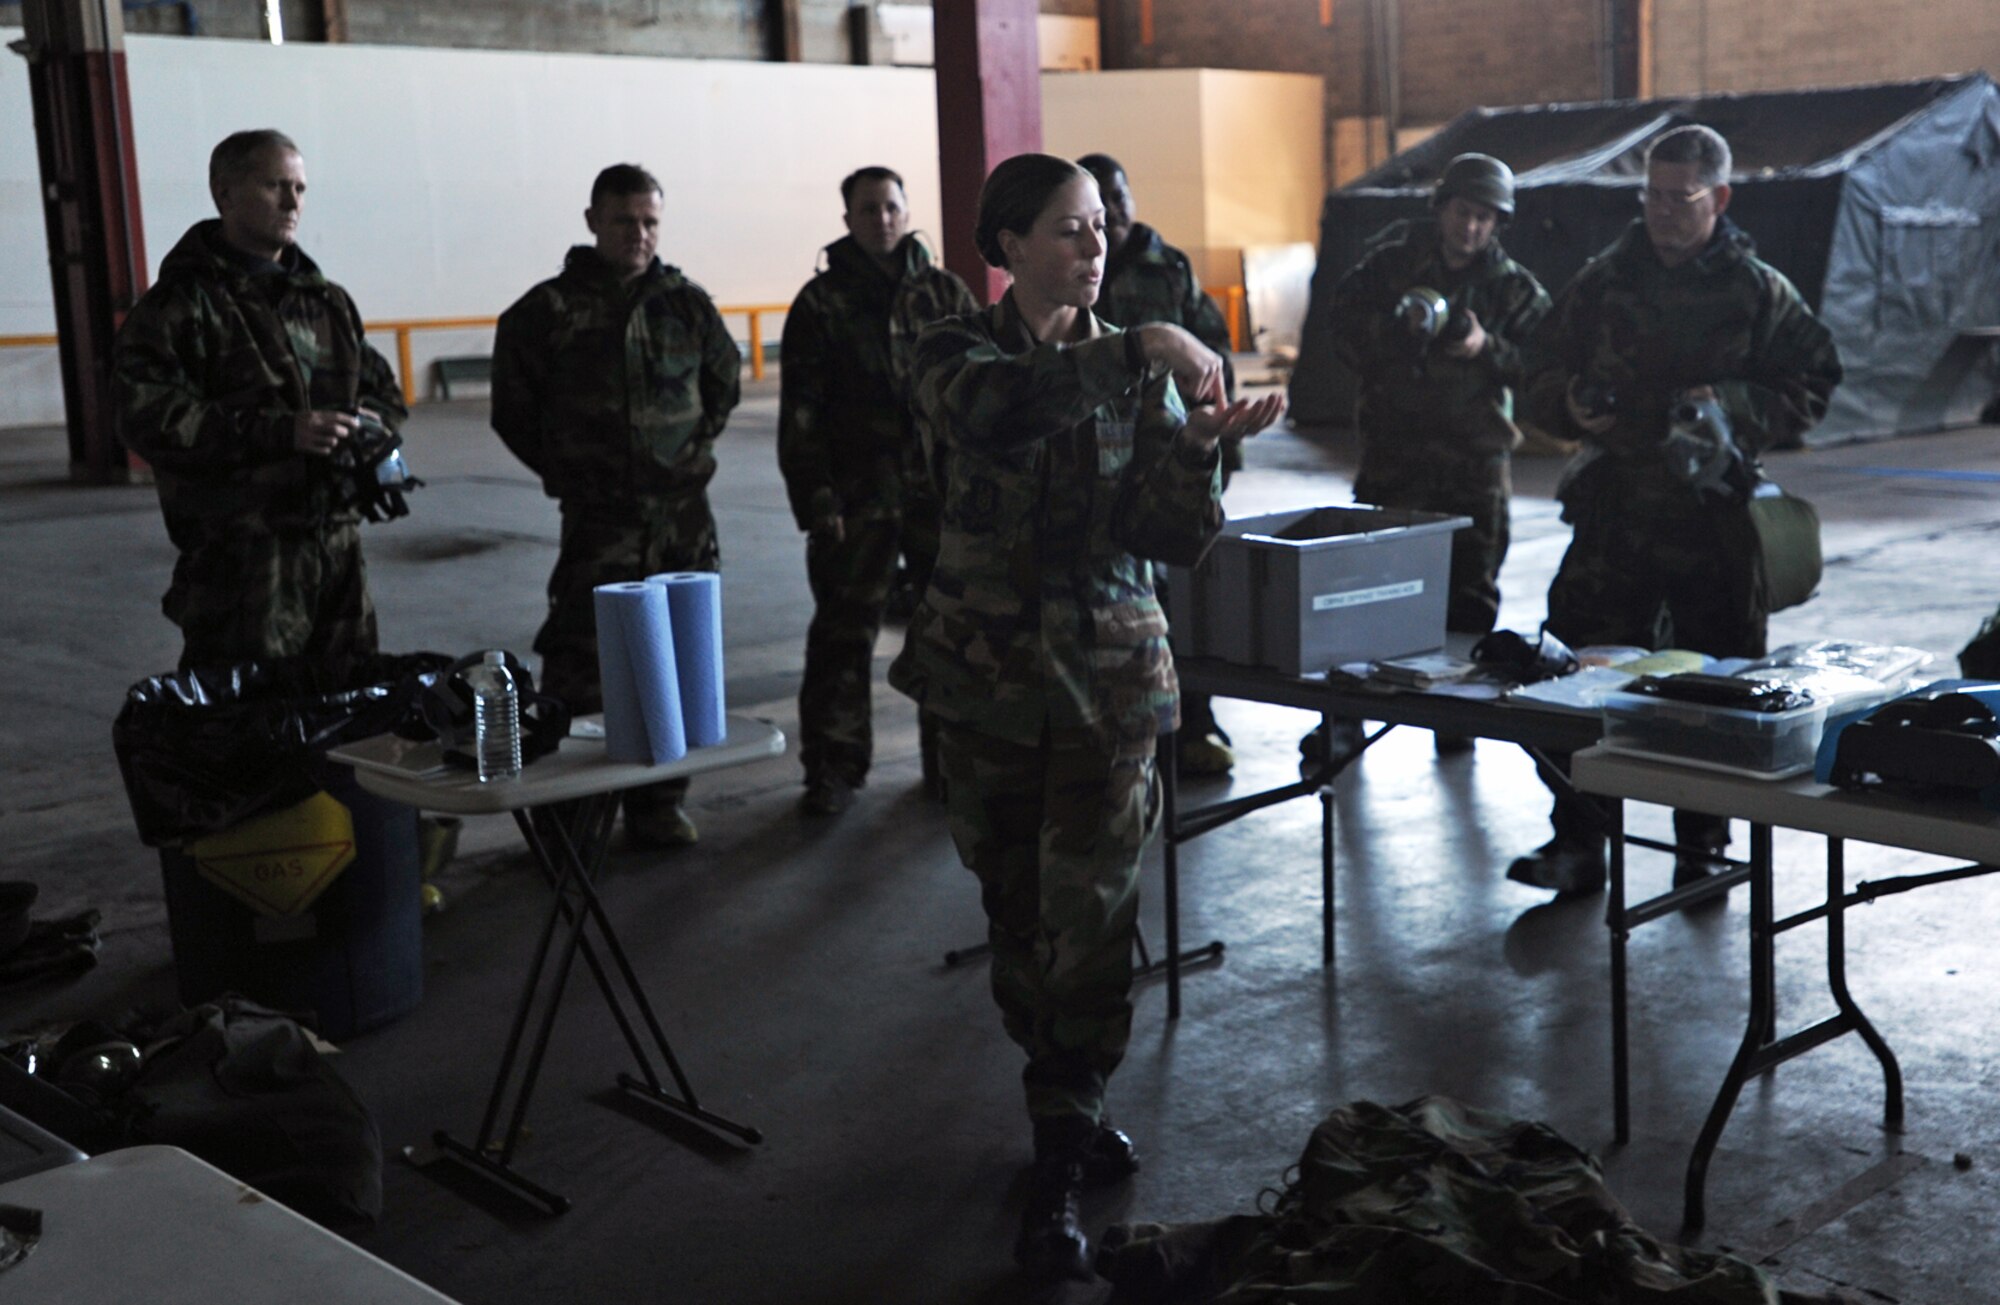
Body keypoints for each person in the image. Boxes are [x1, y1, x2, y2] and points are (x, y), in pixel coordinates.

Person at [891, 153, 1283, 1280]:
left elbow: (1161, 535)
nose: (1093, 247)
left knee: (1093, 922)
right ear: (1006, 246)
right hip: (989, 688)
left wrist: (1203, 450)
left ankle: (1060, 1135)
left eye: (1101, 227)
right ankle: (1059, 1088)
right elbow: (993, 418)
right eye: (1068, 229)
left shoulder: (1135, 368)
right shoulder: (949, 347)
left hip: (1111, 685)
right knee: (1018, 916)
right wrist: (1143, 349)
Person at [1508, 124, 1842, 896]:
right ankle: (1579, 841)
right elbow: (1537, 369)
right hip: (1615, 516)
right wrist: (1568, 404)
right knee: (1576, 676)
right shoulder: (1603, 279)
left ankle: (1704, 850)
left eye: (1680, 197)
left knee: (1716, 694)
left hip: (1712, 525)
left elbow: (1816, 379)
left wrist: (1729, 408)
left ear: (1719, 197)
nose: (1661, 211)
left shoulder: (1757, 290)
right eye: (1651, 194)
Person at [491, 163, 742, 849]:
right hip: (599, 522)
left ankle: (660, 803)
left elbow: (722, 387)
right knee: (581, 662)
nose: (639, 234)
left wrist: (677, 459)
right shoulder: (547, 312)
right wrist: (574, 470)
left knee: (678, 661)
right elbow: (514, 412)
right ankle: (569, 818)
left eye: (650, 221)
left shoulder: (687, 305)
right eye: (625, 220)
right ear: (593, 221)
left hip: (683, 519)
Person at [115, 129, 407, 676]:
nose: (293, 202)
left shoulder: (326, 301)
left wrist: (373, 425)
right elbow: (146, 417)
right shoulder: (183, 305)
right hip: (243, 569)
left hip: (337, 561)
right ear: (224, 193)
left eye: (299, 187)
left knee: (346, 719)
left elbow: (383, 391)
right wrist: (278, 432)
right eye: (275, 185)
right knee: (244, 730)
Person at [1322, 153, 1551, 756]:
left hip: (1474, 466)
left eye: (1485, 217)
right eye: (1463, 212)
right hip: (1395, 457)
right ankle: (1343, 719)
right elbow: (1341, 330)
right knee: (1366, 593)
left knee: (1470, 596)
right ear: (1441, 207)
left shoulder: (1513, 288)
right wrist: (1397, 333)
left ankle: (1458, 716)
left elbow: (1550, 364)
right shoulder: (1392, 265)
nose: (1472, 227)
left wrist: (1486, 347)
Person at [777, 166, 978, 817]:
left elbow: (982, 394)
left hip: (936, 497)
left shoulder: (945, 293)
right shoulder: (821, 303)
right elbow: (800, 411)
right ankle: (833, 765)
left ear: (906, 210)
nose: (882, 219)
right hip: (855, 498)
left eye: (892, 207)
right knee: (843, 632)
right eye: (868, 210)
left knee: (946, 629)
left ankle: (949, 762)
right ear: (848, 220)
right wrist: (816, 498)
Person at [1077, 152, 1243, 776]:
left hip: (1173, 450)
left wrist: (1216, 450)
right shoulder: (1069, 280)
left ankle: (1196, 723)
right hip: (1110, 464)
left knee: (1189, 596)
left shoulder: (1165, 266)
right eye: (1095, 209)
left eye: (1118, 200)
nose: (1111, 217)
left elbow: (1212, 352)